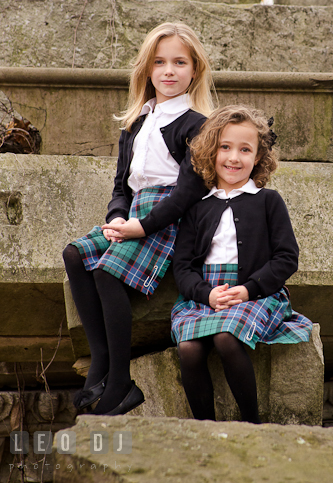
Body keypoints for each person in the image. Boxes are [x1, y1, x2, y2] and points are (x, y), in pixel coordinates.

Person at [63, 21, 215, 416]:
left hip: (169, 219)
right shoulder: (135, 124)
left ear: (194, 70)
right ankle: (101, 361)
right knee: (75, 254)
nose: (169, 71)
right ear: (147, 69)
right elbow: (121, 187)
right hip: (133, 213)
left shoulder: (196, 125)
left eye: (179, 62)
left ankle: (120, 383)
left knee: (106, 272)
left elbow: (188, 192)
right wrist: (117, 218)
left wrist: (143, 226)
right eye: (160, 62)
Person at [171, 105, 313, 424]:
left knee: (225, 336)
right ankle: (205, 427)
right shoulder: (196, 209)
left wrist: (249, 289)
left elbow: (286, 257)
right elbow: (182, 268)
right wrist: (206, 295)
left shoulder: (268, 201)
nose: (234, 158)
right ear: (211, 151)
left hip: (255, 294)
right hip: (204, 297)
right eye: (225, 147)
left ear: (258, 157)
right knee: (189, 348)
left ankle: (252, 423)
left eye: (245, 150)